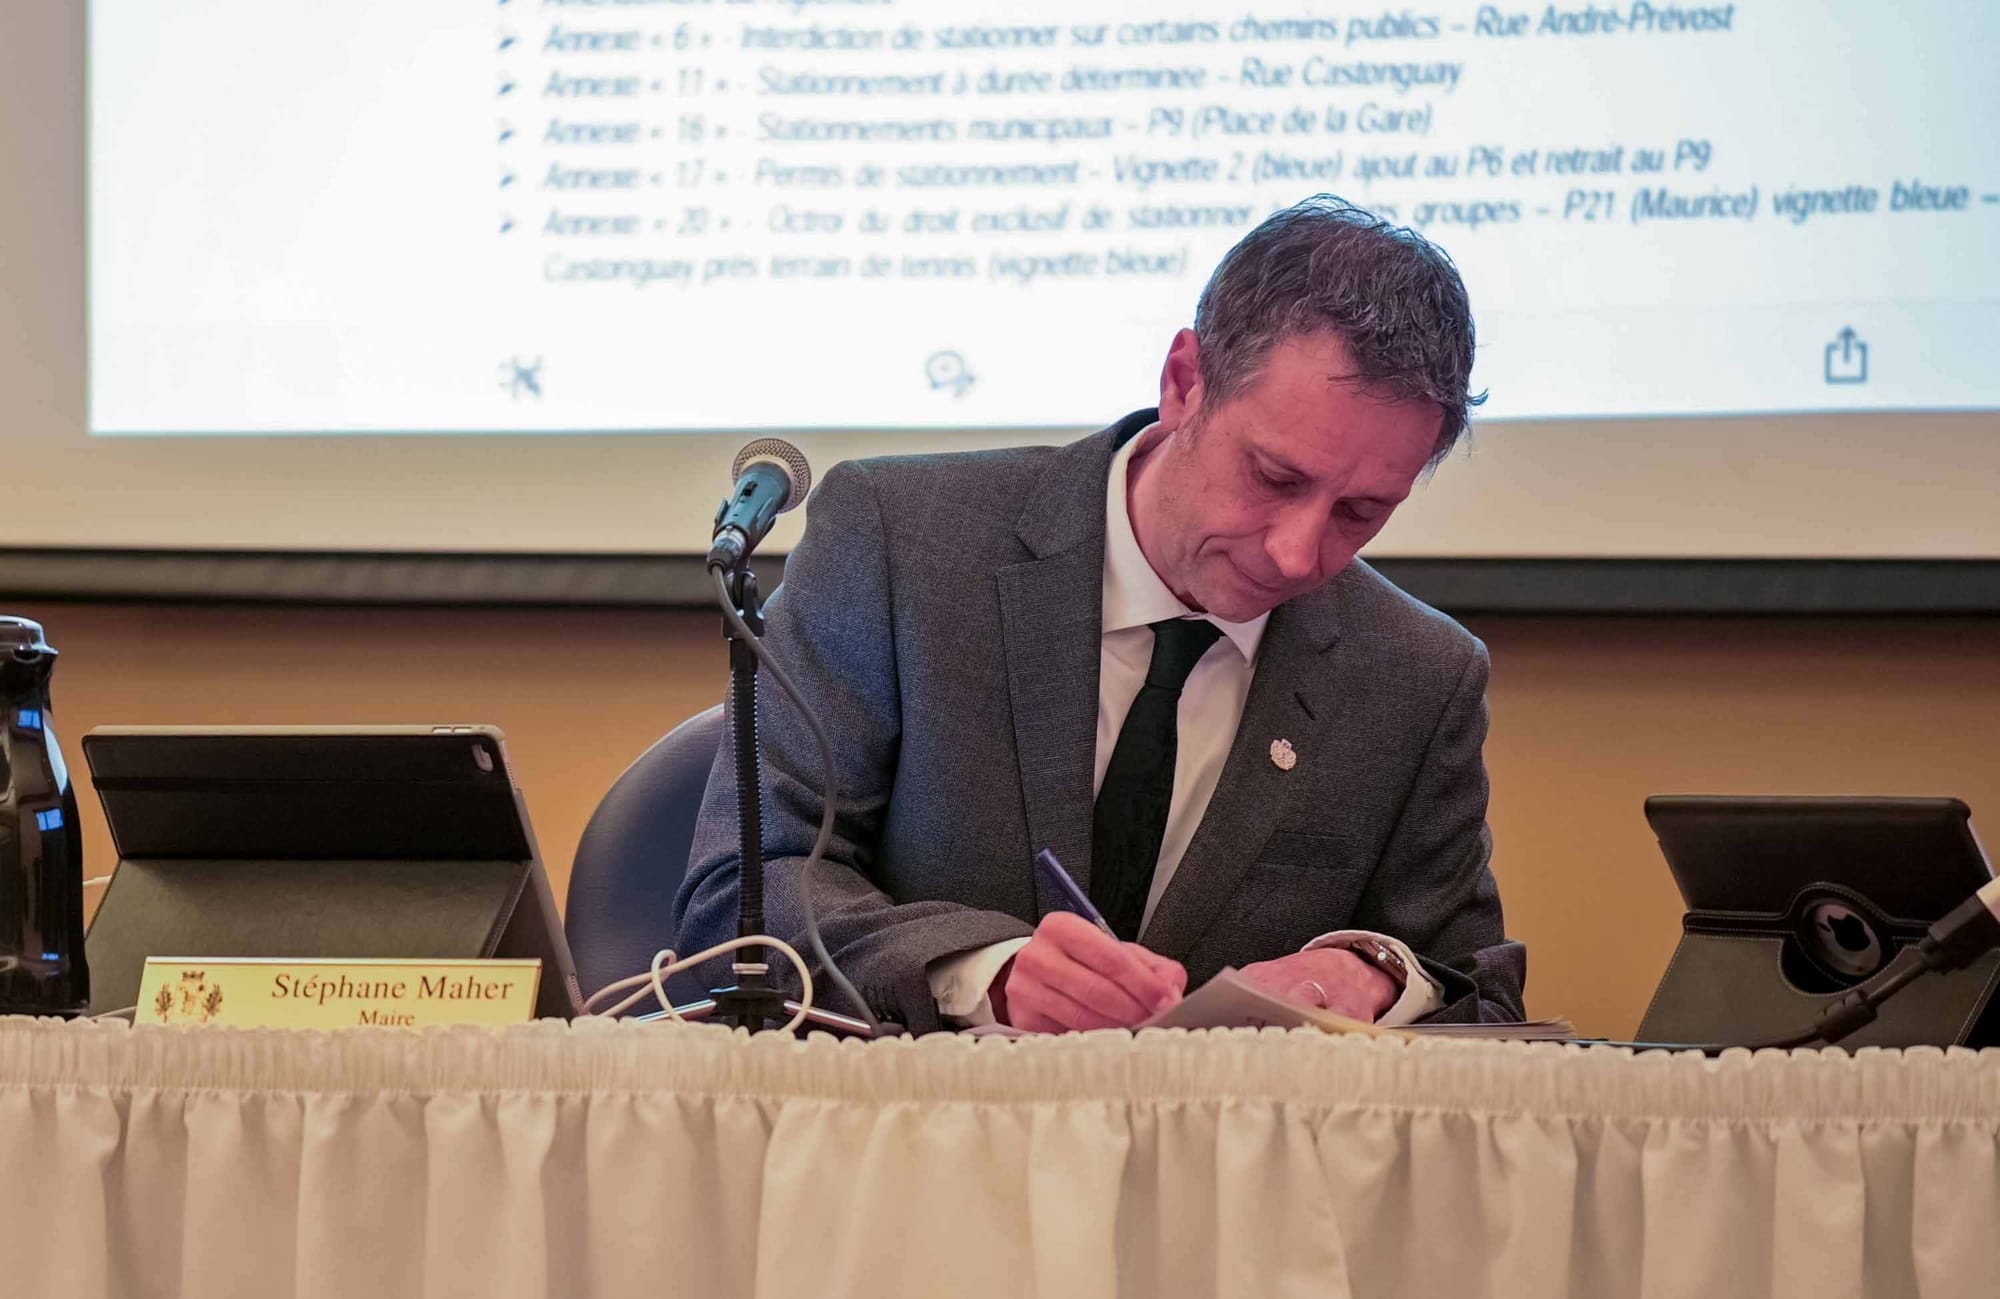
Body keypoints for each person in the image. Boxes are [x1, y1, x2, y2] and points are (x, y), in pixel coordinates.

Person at [679, 195, 1526, 1034]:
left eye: (1361, 511)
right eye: (1275, 477)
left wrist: (1377, 970)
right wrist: (983, 976)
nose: (1297, 555)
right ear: (1185, 383)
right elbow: (743, 892)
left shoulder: (1417, 675)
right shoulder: (899, 542)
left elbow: (1478, 991)